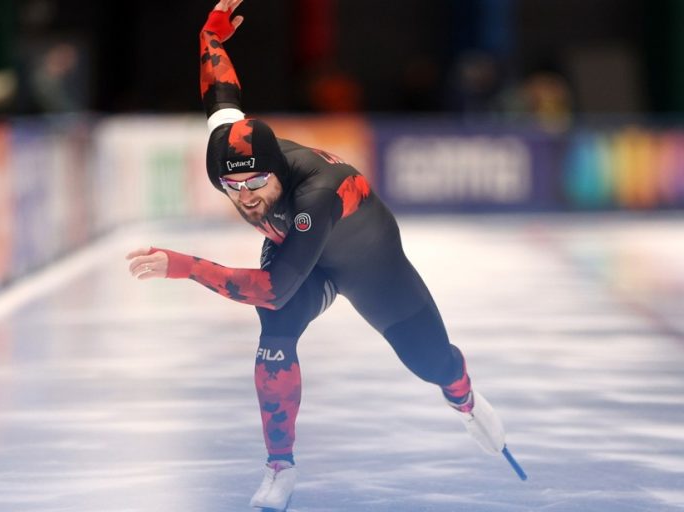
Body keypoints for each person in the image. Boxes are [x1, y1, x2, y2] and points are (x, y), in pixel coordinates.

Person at [126, 1, 506, 509]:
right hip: (296, 254)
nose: (246, 196)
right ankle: (280, 469)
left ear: (279, 168)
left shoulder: (317, 193)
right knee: (274, 339)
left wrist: (185, 266)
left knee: (432, 363)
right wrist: (210, 39)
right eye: (232, 185)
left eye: (258, 182)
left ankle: (463, 395)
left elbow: (273, 287)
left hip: (370, 267)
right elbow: (221, 92)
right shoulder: (233, 149)